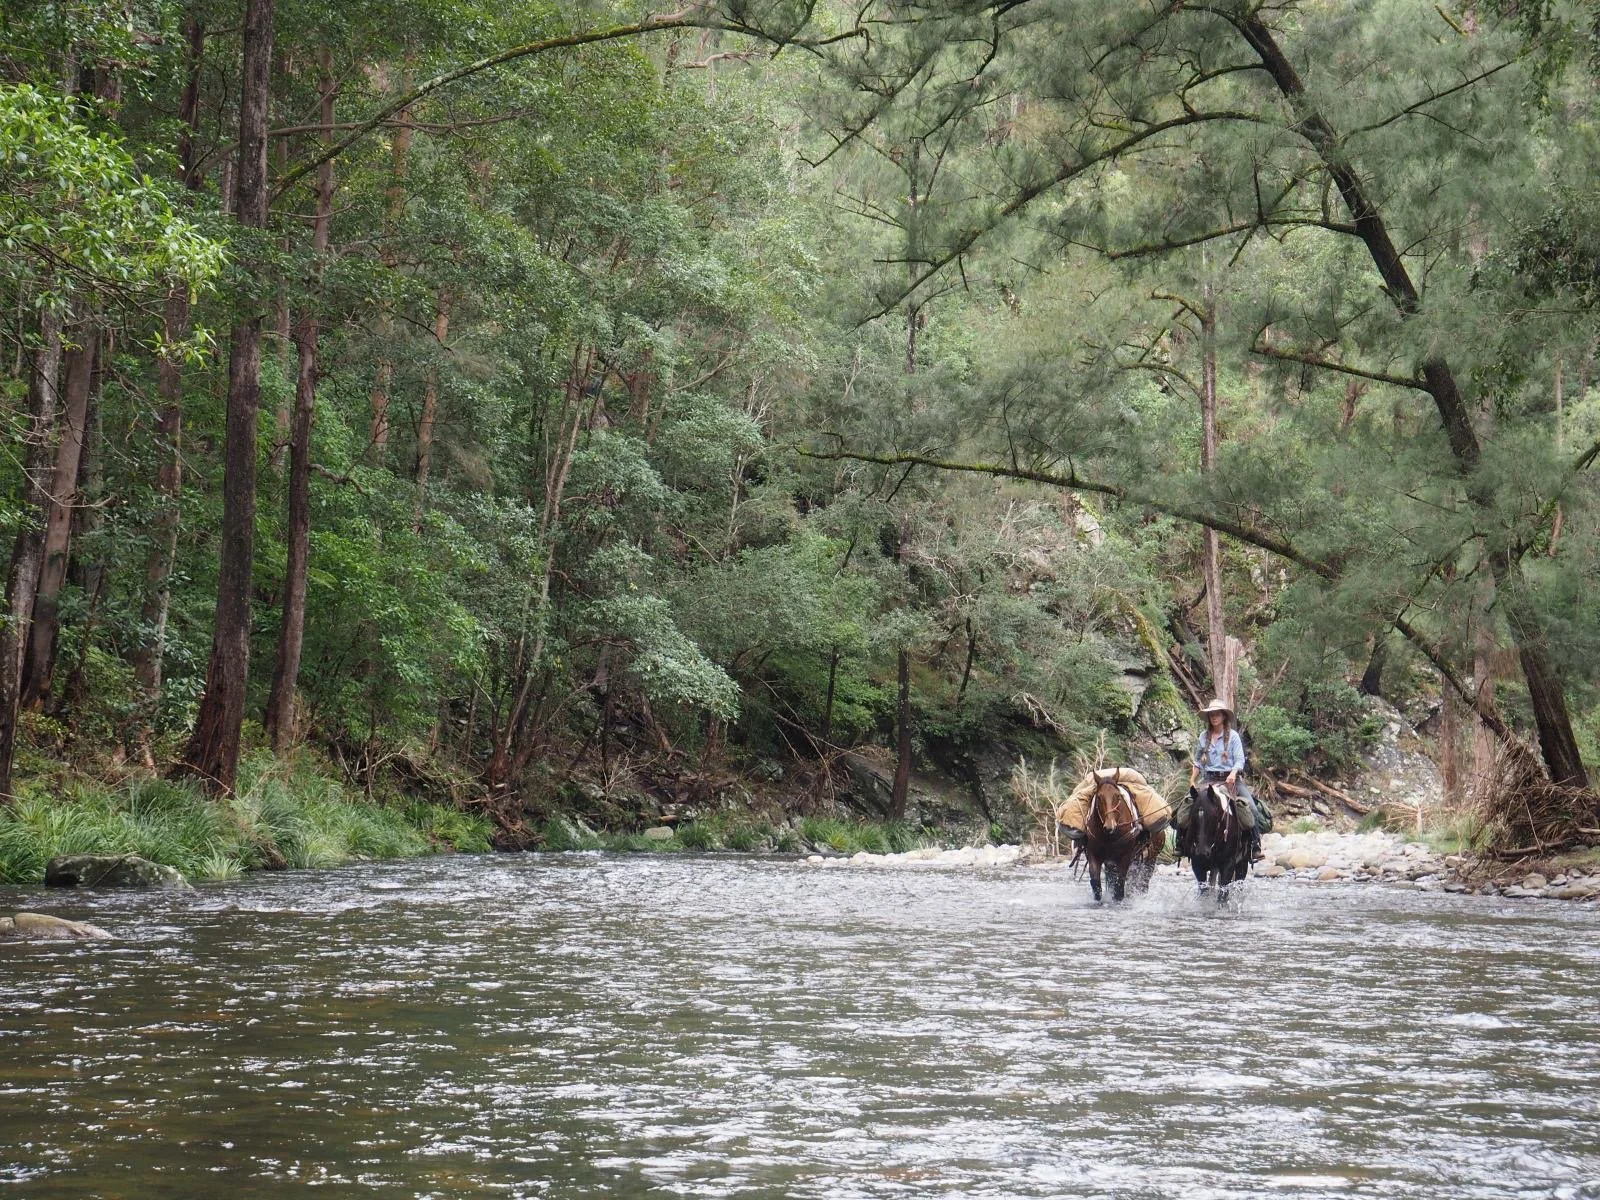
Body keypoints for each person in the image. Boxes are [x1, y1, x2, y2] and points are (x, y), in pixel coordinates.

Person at [1188, 698, 1265, 863]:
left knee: (1251, 808)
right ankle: (1183, 844)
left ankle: (1254, 846)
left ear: (1223, 716)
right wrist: (1192, 779)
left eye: (1217, 714)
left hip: (1231, 780)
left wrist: (1233, 773)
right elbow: (1197, 761)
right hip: (1208, 779)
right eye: (1211, 715)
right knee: (1187, 805)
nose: (1214, 717)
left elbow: (1239, 760)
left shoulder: (1234, 737)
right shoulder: (1203, 737)